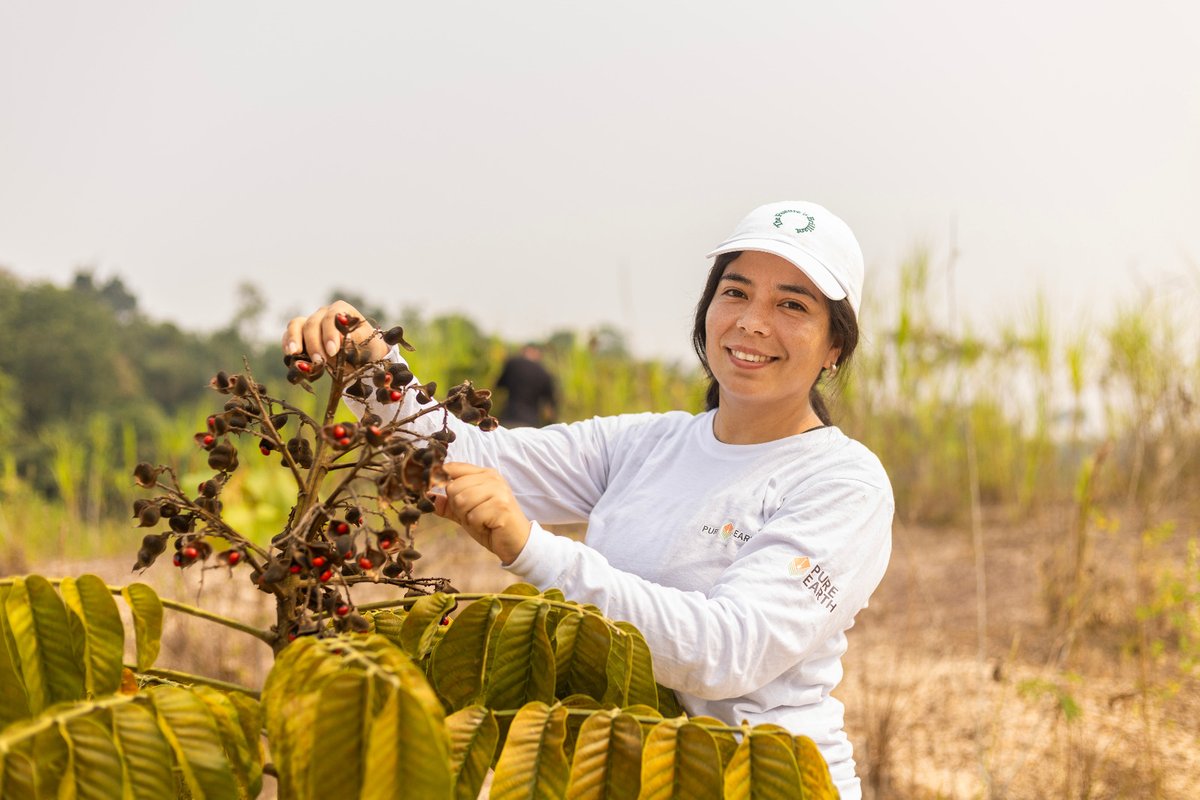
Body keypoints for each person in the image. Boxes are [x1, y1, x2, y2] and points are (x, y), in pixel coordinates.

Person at [284, 201, 894, 799]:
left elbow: (726, 652)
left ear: (835, 345)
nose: (754, 321)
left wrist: (533, 551)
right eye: (735, 292)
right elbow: (463, 457)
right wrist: (371, 366)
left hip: (765, 780)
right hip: (625, 768)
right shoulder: (644, 443)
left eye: (792, 304)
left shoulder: (843, 483)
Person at [494, 343, 558, 427]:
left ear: (524, 351)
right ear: (538, 354)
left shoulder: (512, 363)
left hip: (509, 418)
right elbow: (551, 407)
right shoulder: (545, 373)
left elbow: (498, 386)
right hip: (531, 423)